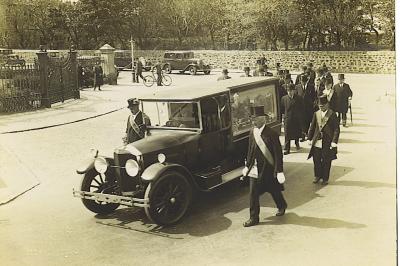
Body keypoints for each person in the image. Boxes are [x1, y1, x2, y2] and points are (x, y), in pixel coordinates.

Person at [242, 105, 287, 227]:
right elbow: (250, 150)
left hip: (268, 169)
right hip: (255, 170)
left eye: (255, 118)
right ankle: (254, 218)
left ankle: (282, 205)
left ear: (262, 119)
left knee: (274, 189)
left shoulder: (271, 134)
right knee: (253, 194)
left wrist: (279, 171)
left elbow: (278, 154)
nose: (253, 121)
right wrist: (247, 166)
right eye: (252, 118)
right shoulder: (252, 132)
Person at [307, 95, 340, 185]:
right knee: (316, 159)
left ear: (327, 105)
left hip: (327, 141)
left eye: (323, 106)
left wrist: (334, 141)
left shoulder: (332, 114)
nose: (321, 108)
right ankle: (317, 175)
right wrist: (309, 138)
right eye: (320, 106)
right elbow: (312, 127)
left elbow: (336, 129)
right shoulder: (316, 114)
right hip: (317, 141)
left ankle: (325, 178)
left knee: (326, 160)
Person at [281, 83, 304, 155]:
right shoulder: (284, 98)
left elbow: (302, 108)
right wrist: (282, 117)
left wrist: (301, 118)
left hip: (296, 119)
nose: (290, 92)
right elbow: (282, 108)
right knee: (287, 133)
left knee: (296, 132)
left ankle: (297, 143)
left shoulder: (299, 98)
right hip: (287, 119)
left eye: (291, 91)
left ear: (294, 91)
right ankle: (286, 148)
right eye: (288, 91)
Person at [296, 75, 316, 141]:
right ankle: (303, 135)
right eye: (302, 81)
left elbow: (314, 96)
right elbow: (296, 96)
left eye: (304, 82)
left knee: (307, 121)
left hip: (308, 108)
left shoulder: (311, 87)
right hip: (300, 107)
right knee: (301, 122)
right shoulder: (297, 87)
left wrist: (312, 104)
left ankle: (306, 133)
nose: (303, 83)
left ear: (306, 81)